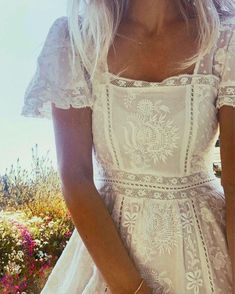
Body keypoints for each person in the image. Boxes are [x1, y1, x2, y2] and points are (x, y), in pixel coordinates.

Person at [21, 0, 235, 293]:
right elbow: (75, 177)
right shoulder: (76, 41)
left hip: (207, 253)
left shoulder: (225, 36)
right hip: (108, 259)